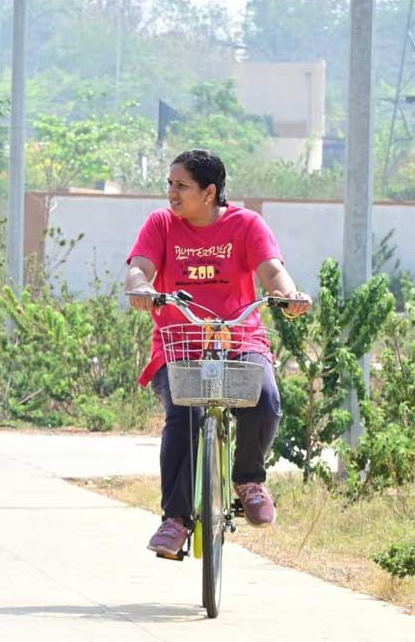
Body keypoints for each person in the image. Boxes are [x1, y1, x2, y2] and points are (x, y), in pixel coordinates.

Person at [125, 149, 311, 558]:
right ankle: (175, 519)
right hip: (180, 343)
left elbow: (272, 270)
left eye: (181, 186)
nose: (172, 194)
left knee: (264, 399)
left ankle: (248, 481)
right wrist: (140, 287)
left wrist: (289, 294)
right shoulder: (161, 225)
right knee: (184, 413)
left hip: (239, 340)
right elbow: (140, 268)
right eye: (170, 185)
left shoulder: (245, 225)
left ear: (209, 192)